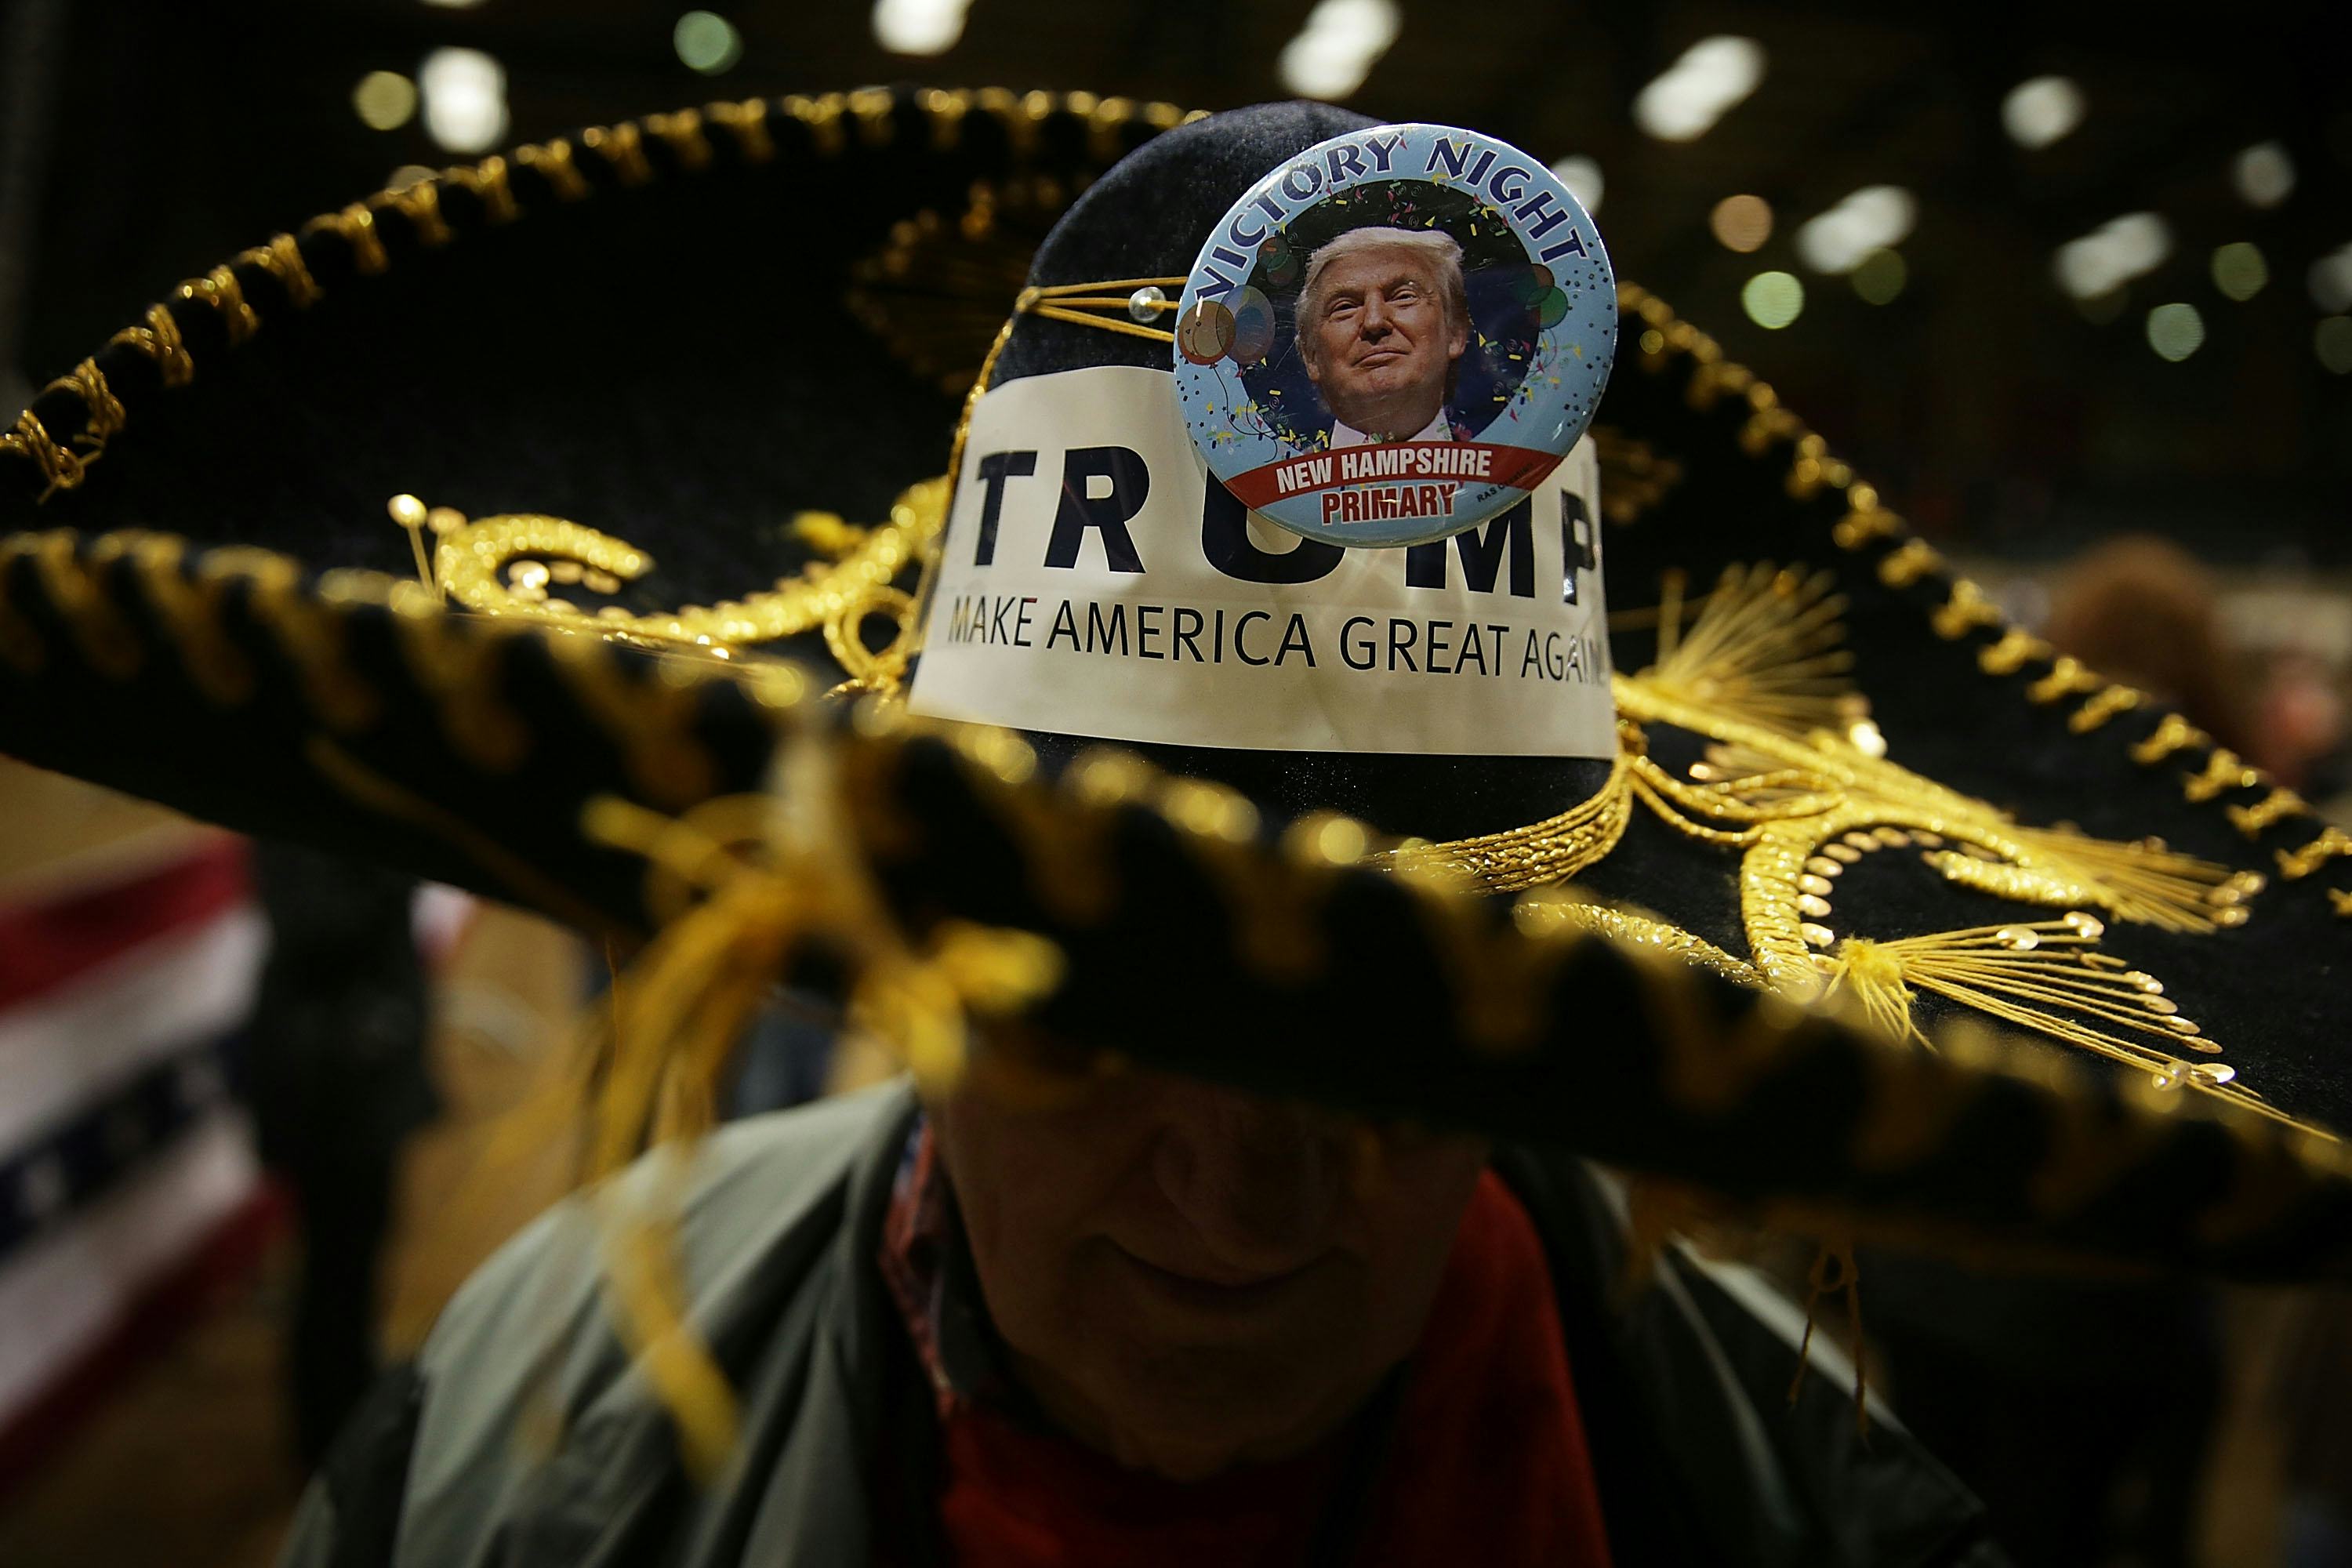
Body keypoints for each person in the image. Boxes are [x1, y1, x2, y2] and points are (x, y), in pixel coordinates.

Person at [1294, 227, 1471, 446]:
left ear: (1455, 332)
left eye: (1403, 297)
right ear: (1310, 357)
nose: (1374, 322)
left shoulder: (1507, 462)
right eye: (1345, 307)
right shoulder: (1272, 469)